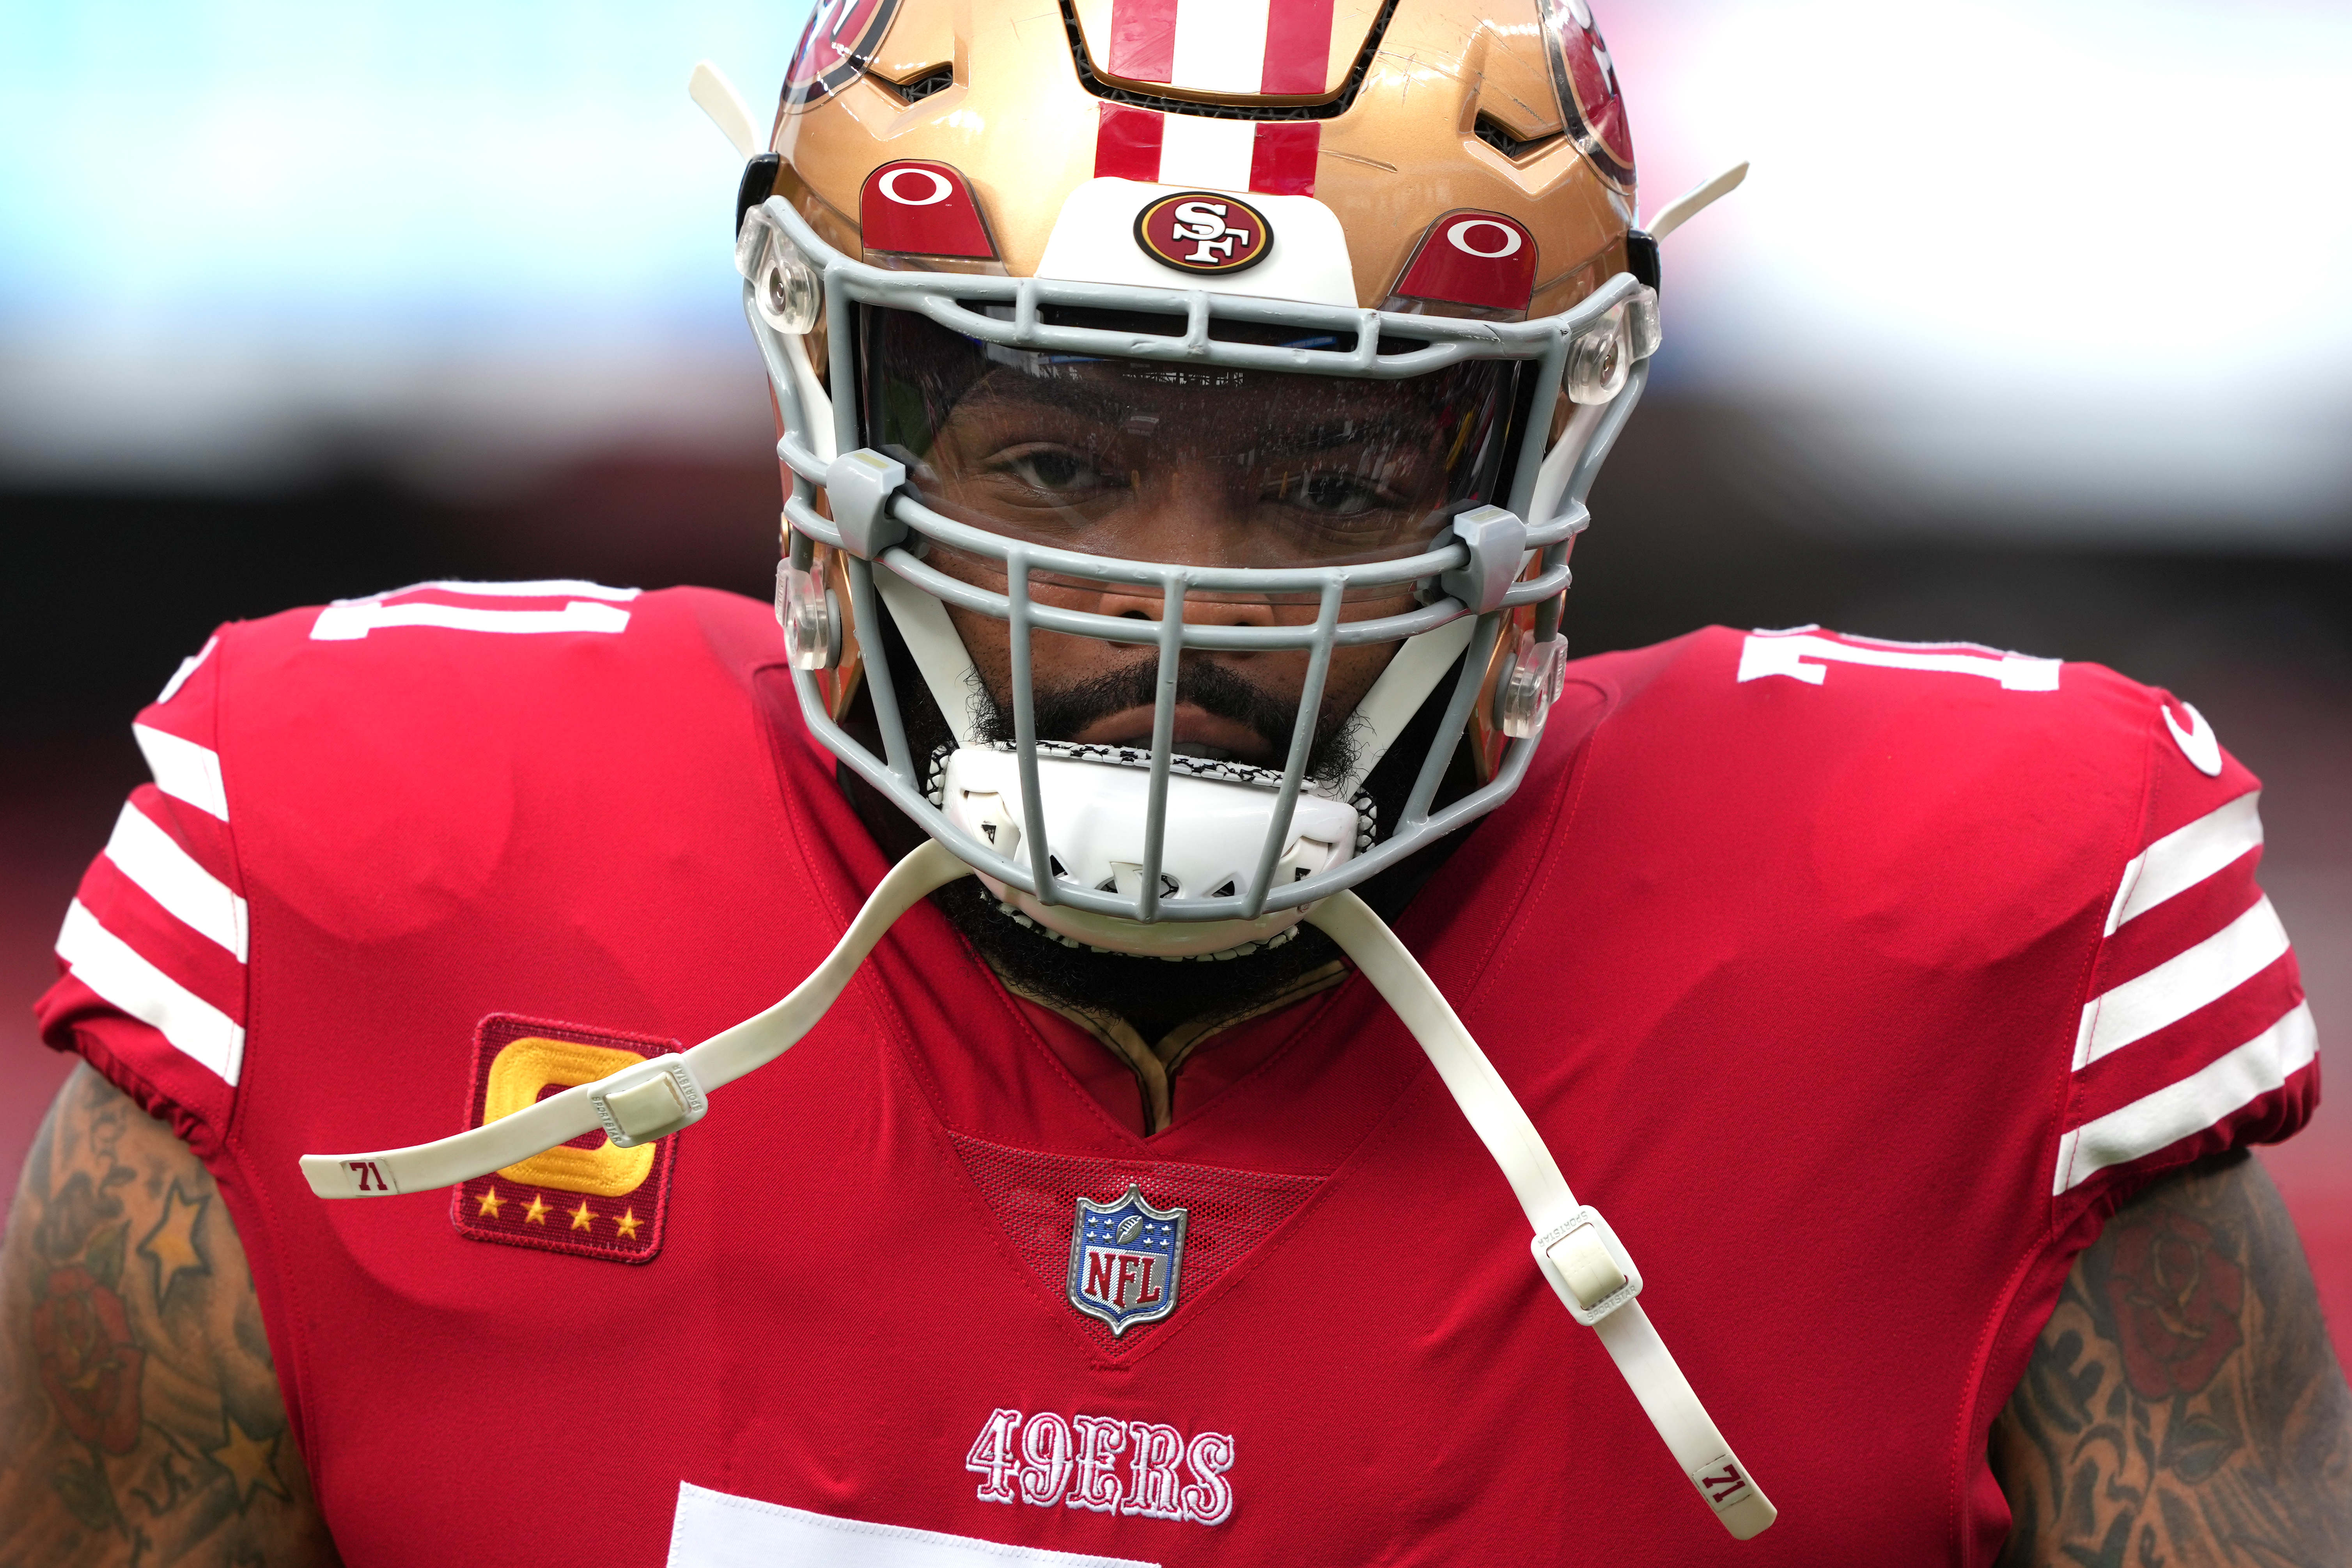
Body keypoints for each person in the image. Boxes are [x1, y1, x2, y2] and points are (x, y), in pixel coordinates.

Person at [4, 0, 2347, 1563]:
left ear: (1556, 445)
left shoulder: (1953, 959)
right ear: (835, 401)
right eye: (1055, 457)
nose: (1175, 604)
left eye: (1330, 478)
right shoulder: (356, 868)